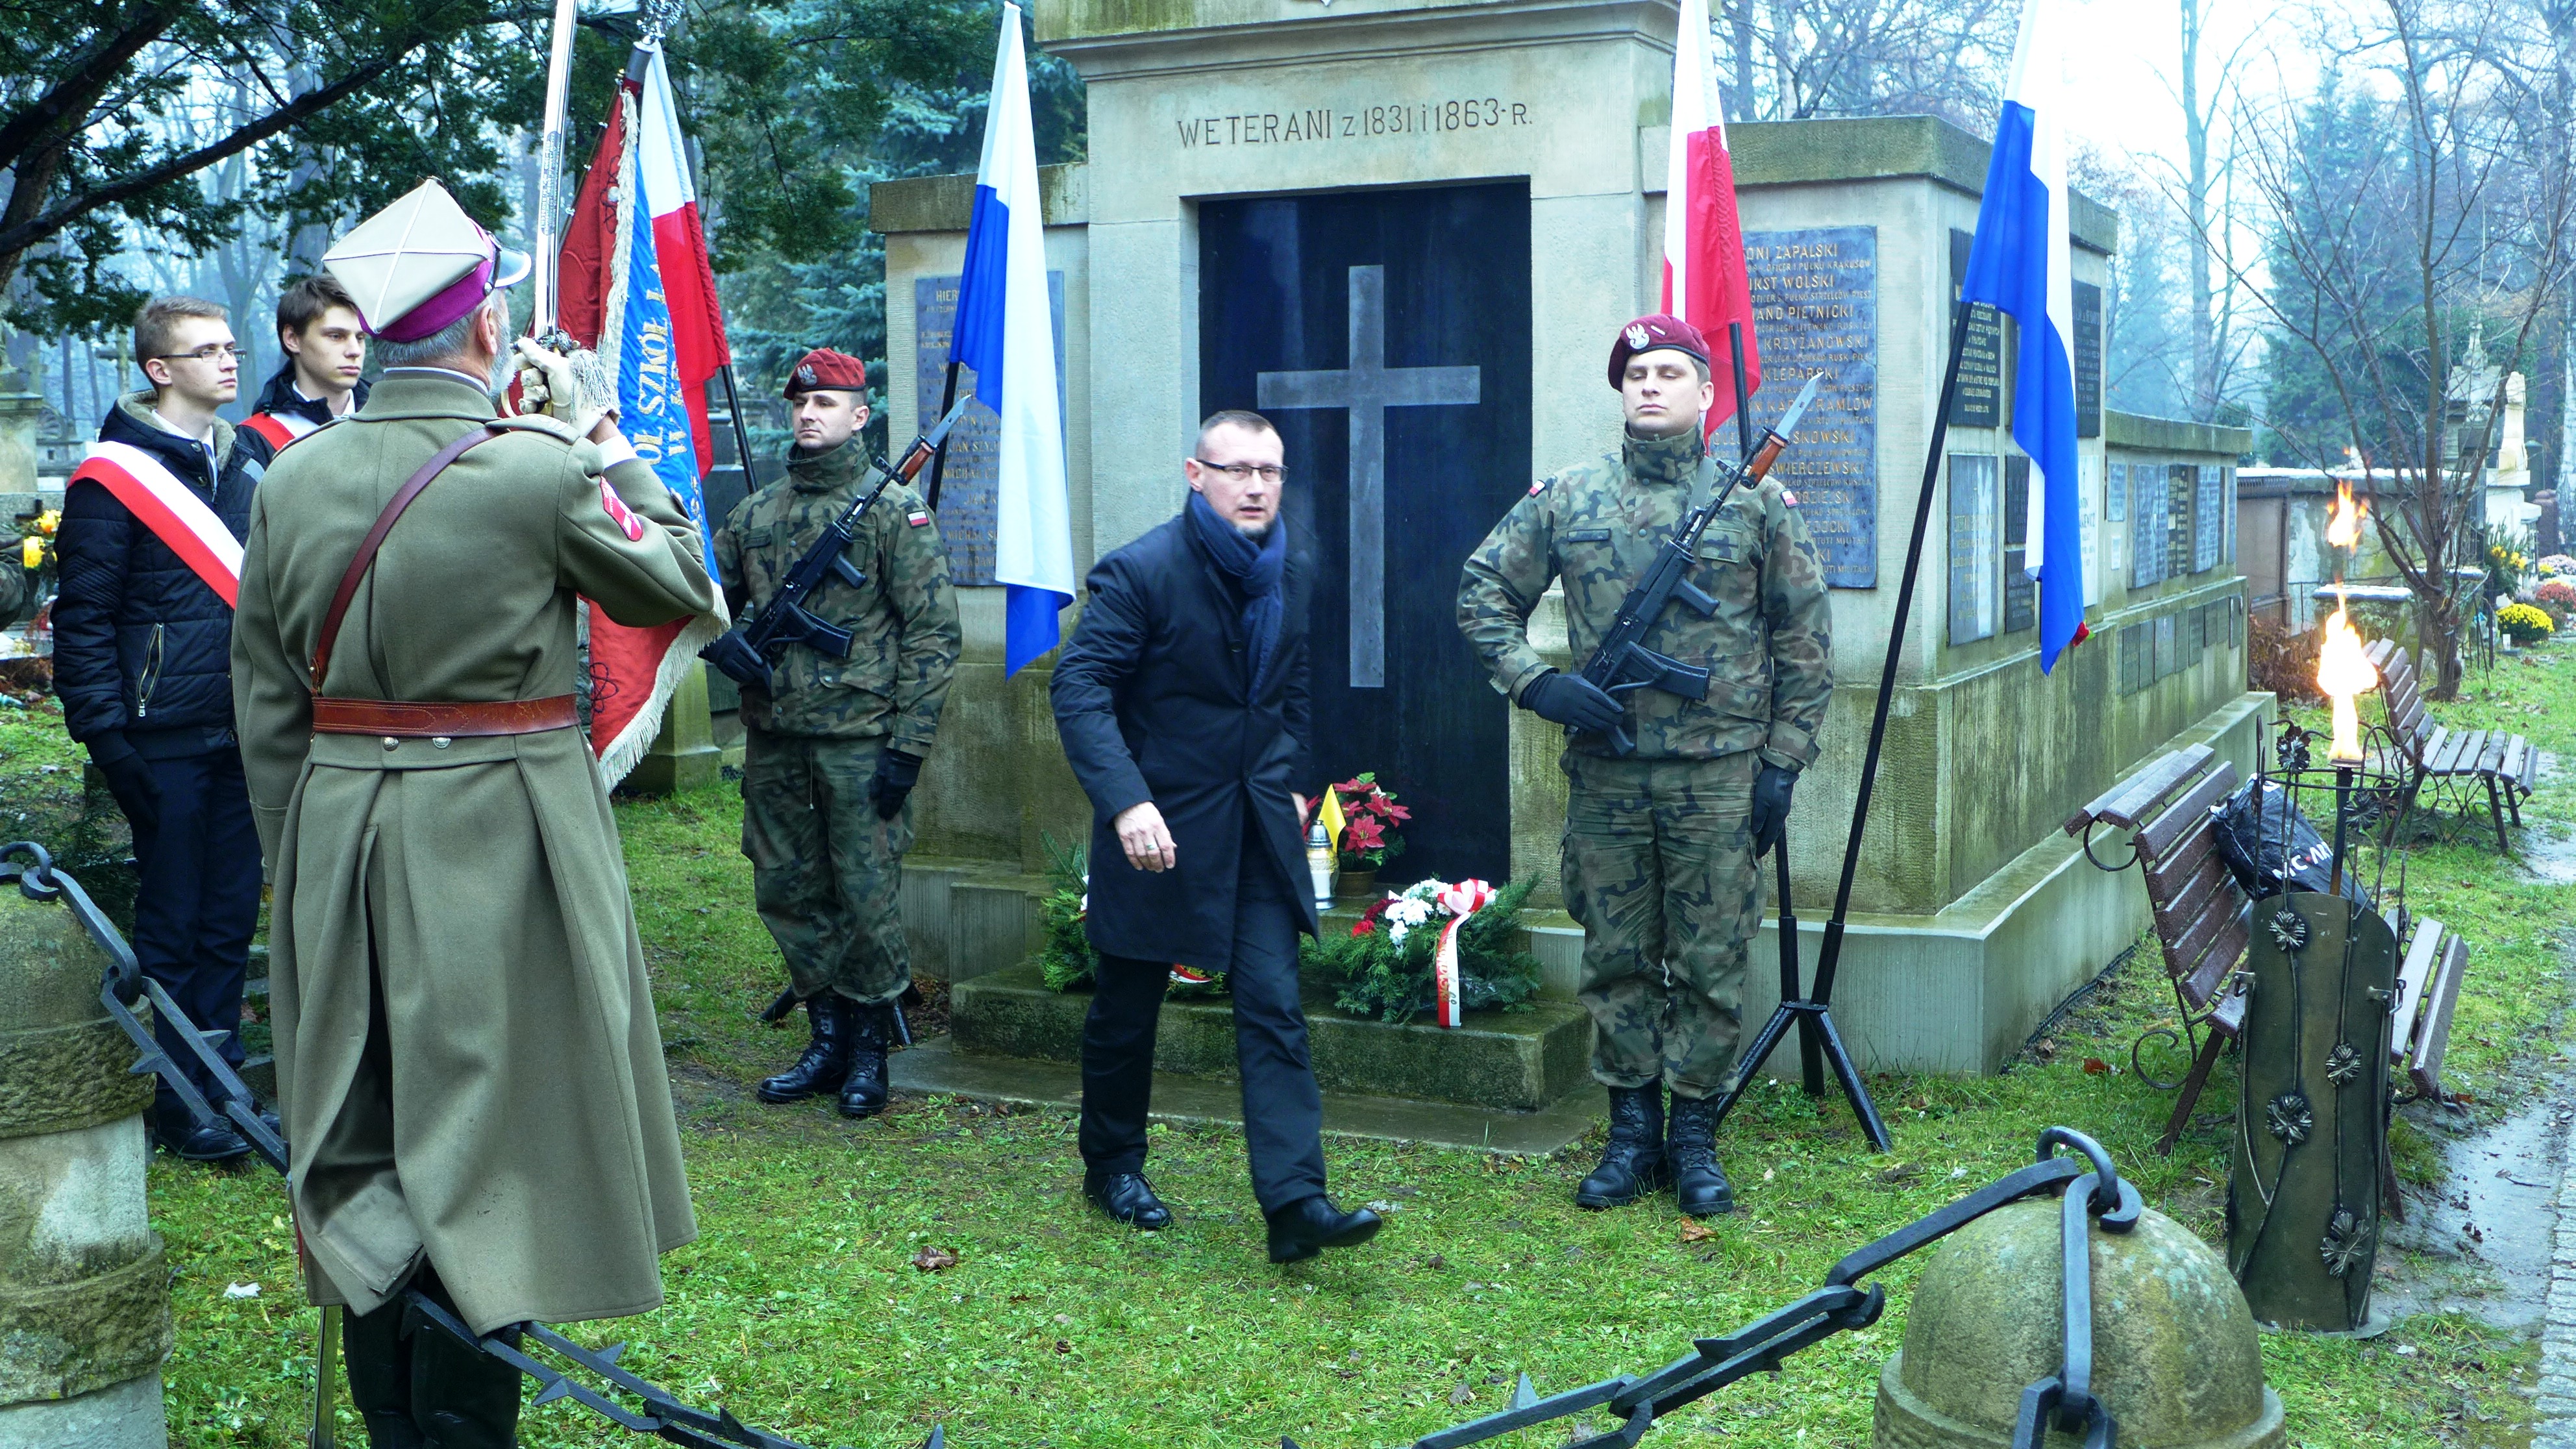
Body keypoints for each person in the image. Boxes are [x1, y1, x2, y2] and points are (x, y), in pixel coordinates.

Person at [230, 178, 719, 1447]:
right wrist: (600, 431)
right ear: (487, 328)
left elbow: (269, 700)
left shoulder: (293, 477)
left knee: (366, 1133)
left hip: (340, 828)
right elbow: (683, 576)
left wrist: (303, 858)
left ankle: (399, 1419)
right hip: (502, 834)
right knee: (489, 1141)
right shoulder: (540, 471)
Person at [1457, 315, 1831, 1219]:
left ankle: (1694, 1138)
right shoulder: (1568, 498)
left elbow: (1805, 639)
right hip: (1609, 777)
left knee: (1710, 957)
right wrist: (1538, 683)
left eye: (1668, 372)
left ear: (1705, 393)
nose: (1650, 386)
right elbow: (1482, 592)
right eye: (1635, 375)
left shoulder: (1755, 505)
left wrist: (1781, 762)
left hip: (1718, 776)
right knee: (1616, 956)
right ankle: (1630, 1136)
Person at [1050, 409, 1384, 1265]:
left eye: (1270, 472)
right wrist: (1126, 802)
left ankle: (1296, 1203)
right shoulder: (1142, 571)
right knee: (1127, 1008)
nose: (1256, 486)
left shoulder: (1288, 569)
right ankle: (1112, 1167)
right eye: (1237, 470)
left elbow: (1290, 685)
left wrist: (1292, 776)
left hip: (1257, 828)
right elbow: (1080, 688)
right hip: (1157, 827)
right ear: (1195, 475)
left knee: (1273, 1005)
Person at [710, 349, 960, 1120]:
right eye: (799, 403)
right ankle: (824, 1037)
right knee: (785, 885)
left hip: (861, 740)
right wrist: (727, 641)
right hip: (777, 737)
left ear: (859, 416)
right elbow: (704, 598)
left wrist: (908, 748)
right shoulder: (755, 515)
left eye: (825, 403)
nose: (808, 414)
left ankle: (868, 1048)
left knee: (865, 892)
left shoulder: (891, 512)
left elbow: (933, 635)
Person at [55, 295, 276, 1163]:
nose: (228, 362)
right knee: (173, 919)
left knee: (229, 915)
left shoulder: (247, 461)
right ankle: (176, 1099)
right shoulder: (111, 479)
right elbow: (83, 621)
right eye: (206, 351)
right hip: (162, 737)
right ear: (159, 369)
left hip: (244, 729)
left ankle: (223, 1084)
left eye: (230, 348)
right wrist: (108, 742)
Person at [241, 273, 370, 451]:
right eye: (336, 336)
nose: (355, 351)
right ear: (292, 339)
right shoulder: (258, 437)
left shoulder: (390, 418)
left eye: (360, 338)